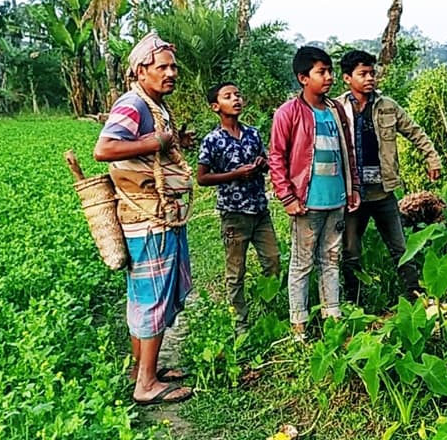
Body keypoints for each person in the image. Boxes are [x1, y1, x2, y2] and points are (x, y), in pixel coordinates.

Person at [93, 32, 194, 406]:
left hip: (159, 215)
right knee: (151, 298)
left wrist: (173, 139)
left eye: (173, 67)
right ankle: (147, 385)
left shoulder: (153, 104)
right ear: (141, 71)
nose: (171, 73)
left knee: (148, 296)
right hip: (147, 218)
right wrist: (157, 143)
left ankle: (143, 369)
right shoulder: (133, 104)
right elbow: (104, 148)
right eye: (162, 67)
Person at [336, 49, 441, 305]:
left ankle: (414, 297)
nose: (370, 78)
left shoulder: (388, 106)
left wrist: (432, 159)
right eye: (363, 74)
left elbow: (415, 132)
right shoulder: (337, 109)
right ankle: (354, 300)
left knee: (401, 248)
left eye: (372, 73)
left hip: (383, 192)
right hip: (353, 194)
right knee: (350, 250)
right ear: (347, 78)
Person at [269, 46, 360, 338]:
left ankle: (332, 318)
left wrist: (353, 187)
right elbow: (277, 157)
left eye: (329, 71)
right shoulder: (288, 113)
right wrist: (287, 197)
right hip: (306, 203)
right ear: (303, 78)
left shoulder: (336, 111)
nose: (329, 77)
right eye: (321, 72)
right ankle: (299, 327)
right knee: (302, 263)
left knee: (331, 259)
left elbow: (349, 152)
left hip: (336, 201)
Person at [197, 82, 281, 335]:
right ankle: (240, 324)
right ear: (215, 107)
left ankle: (271, 312)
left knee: (273, 260)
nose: (236, 99)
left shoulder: (253, 134)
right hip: (233, 214)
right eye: (228, 96)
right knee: (236, 271)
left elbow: (267, 163)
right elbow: (202, 178)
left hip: (260, 210)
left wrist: (261, 163)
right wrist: (234, 174)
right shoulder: (212, 140)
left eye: (237, 95)